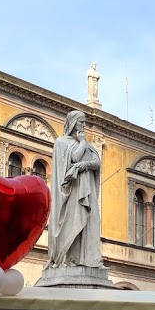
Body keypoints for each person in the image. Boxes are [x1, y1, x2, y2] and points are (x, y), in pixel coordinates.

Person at [46, 111, 104, 269]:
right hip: (72, 190)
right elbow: (74, 158)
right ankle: (69, 258)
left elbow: (97, 162)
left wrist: (84, 165)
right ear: (72, 123)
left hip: (87, 190)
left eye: (84, 122)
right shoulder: (61, 142)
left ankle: (88, 259)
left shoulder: (87, 144)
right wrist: (82, 143)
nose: (84, 125)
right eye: (81, 122)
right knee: (73, 222)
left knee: (90, 220)